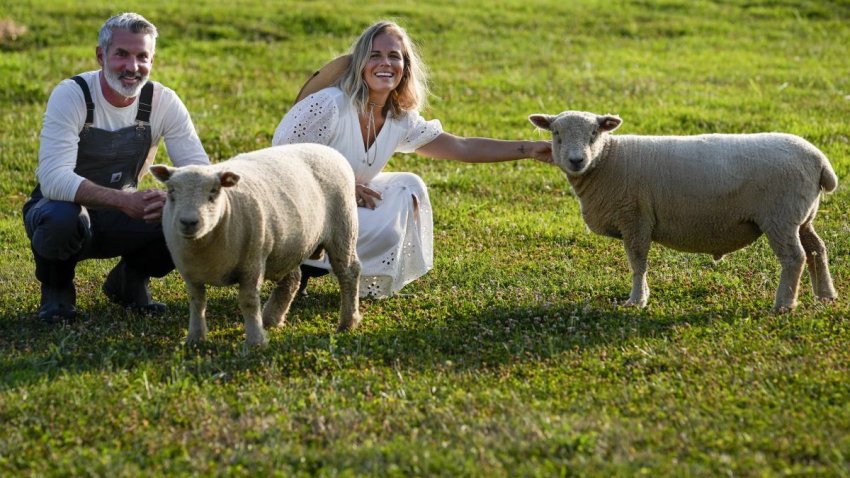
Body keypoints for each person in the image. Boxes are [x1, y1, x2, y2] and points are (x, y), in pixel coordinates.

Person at [273, 20, 551, 299]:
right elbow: (283, 158)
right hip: (299, 208)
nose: (386, 63)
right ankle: (299, 266)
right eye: (375, 55)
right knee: (367, 219)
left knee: (408, 187)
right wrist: (341, 188)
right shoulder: (330, 104)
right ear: (359, 64)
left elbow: (461, 147)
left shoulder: (399, 118)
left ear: (405, 68)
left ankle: (356, 277)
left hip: (341, 209)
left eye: (395, 56)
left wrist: (528, 149)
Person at [23, 12, 210, 323]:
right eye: (121, 54)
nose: (132, 67)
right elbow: (53, 179)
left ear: (152, 60)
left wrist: (172, 200)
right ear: (101, 55)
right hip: (62, 209)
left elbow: (199, 172)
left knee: (185, 217)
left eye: (142, 56)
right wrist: (124, 200)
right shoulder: (72, 94)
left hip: (122, 215)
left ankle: (129, 282)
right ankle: (56, 292)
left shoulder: (164, 101)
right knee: (60, 218)